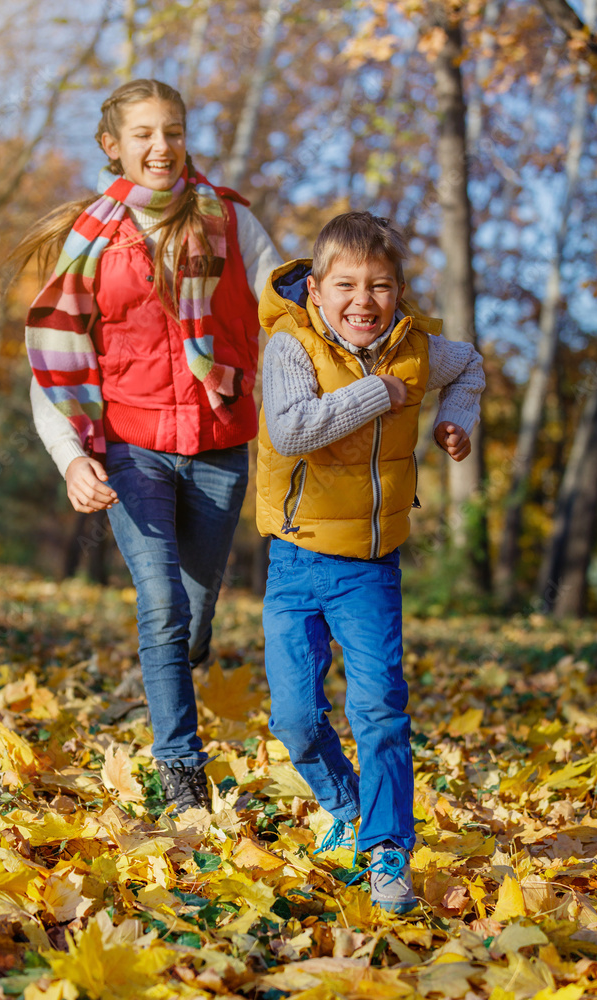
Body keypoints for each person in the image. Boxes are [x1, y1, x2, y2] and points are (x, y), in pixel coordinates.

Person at [20, 79, 282, 814]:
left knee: (194, 615)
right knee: (160, 606)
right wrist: (73, 457)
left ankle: (174, 666)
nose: (160, 146)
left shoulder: (230, 221)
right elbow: (54, 359)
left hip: (221, 445)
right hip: (131, 448)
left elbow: (286, 308)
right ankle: (181, 773)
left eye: (172, 131)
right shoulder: (91, 243)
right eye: (143, 134)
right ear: (114, 146)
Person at [255, 211, 485, 911]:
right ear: (316, 290)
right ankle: (345, 804)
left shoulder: (416, 349)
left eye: (381, 286)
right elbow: (291, 430)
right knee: (294, 716)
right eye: (347, 285)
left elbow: (470, 361)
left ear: (400, 290)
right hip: (295, 559)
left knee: (380, 707)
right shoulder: (289, 345)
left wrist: (457, 420)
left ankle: (388, 846)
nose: (365, 300)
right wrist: (374, 393)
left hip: (371, 565)